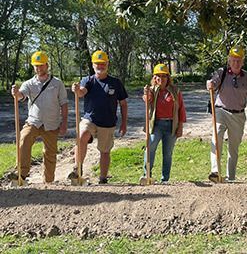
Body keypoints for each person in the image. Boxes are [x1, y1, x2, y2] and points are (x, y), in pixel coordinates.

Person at [69, 50, 128, 184]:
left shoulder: (115, 82)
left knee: (105, 151)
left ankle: (103, 178)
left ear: (107, 64)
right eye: (97, 64)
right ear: (93, 65)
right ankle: (77, 169)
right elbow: (82, 92)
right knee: (82, 134)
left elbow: (123, 104)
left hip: (108, 122)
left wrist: (124, 123)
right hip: (90, 119)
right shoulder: (88, 80)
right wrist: (77, 90)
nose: (100, 66)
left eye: (103, 64)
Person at [10, 51, 68, 183]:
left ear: (47, 65)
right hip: (33, 121)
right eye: (36, 66)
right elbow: (21, 96)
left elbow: (64, 103)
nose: (39, 68)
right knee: (24, 139)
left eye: (41, 65)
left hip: (52, 123)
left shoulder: (57, 83)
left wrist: (64, 123)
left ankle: (48, 182)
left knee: (50, 153)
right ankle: (22, 174)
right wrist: (16, 93)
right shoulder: (29, 83)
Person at [206, 46, 247, 182]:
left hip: (238, 115)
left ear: (243, 62)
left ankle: (231, 178)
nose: (236, 63)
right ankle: (215, 171)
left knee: (233, 148)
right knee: (216, 137)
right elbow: (212, 85)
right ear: (229, 60)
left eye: (239, 60)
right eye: (233, 60)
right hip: (221, 111)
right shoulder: (221, 73)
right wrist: (210, 85)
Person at [141, 63, 186, 183]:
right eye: (158, 76)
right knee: (150, 148)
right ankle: (147, 175)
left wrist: (180, 126)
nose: (161, 78)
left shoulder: (175, 91)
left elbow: (181, 109)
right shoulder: (151, 90)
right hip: (156, 126)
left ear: (168, 77)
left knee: (167, 154)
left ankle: (165, 179)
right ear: (154, 78)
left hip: (171, 126)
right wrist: (146, 94)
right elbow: (147, 99)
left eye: (164, 76)